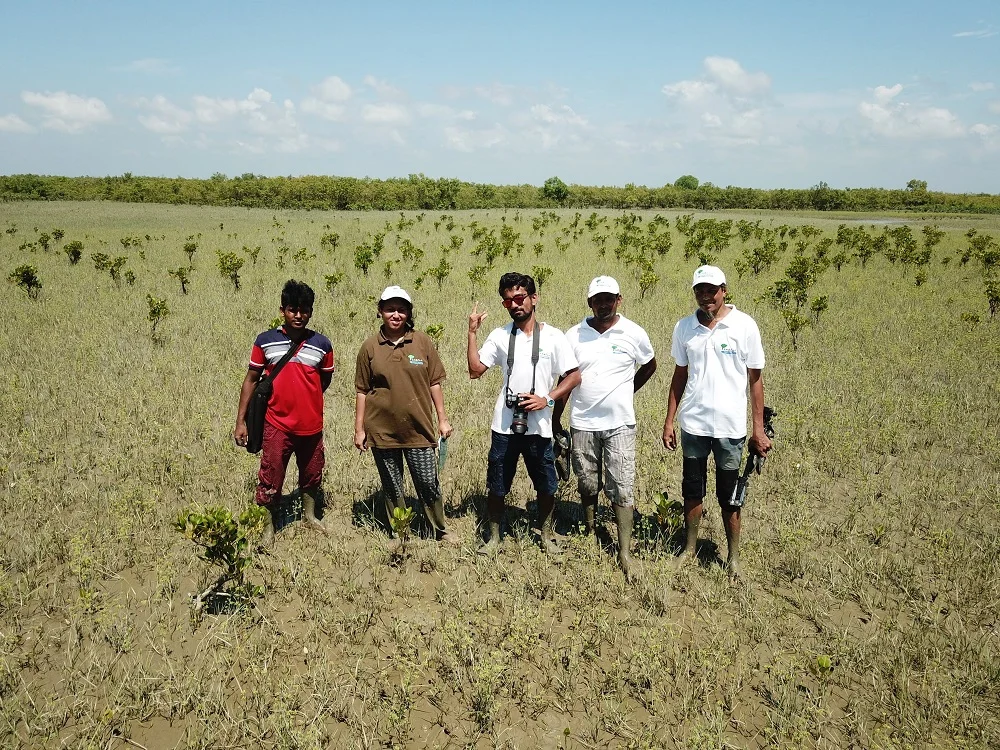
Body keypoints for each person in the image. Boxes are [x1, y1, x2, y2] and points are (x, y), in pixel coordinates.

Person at [662, 265, 772, 578]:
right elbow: (679, 375)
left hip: (730, 429)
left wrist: (758, 429)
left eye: (711, 290)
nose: (706, 296)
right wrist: (670, 420)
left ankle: (733, 557)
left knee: (730, 495)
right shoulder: (684, 328)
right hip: (693, 426)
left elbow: (755, 380)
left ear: (724, 290)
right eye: (700, 290)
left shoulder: (744, 326)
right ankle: (690, 547)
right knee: (692, 490)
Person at [467, 272, 581, 554]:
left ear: (534, 298)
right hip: (505, 424)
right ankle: (494, 537)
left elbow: (574, 376)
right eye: (508, 302)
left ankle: (545, 535)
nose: (515, 304)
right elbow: (474, 371)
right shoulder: (499, 335)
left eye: (519, 298)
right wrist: (471, 333)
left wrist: (547, 399)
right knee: (497, 483)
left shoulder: (554, 337)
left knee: (546, 484)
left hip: (539, 427)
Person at [564, 276, 657, 579]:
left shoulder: (634, 333)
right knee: (587, 482)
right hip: (583, 423)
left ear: (619, 299)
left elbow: (650, 365)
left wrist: (627, 391)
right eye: (597, 299)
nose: (603, 304)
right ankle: (591, 529)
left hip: (620, 423)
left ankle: (624, 551)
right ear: (589, 302)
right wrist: (555, 419)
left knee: (621, 486)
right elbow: (565, 378)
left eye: (609, 298)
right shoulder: (573, 335)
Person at [354, 286, 457, 545]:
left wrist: (442, 419)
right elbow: (362, 391)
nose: (396, 314)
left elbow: (435, 383)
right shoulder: (369, 347)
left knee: (427, 481)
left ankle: (440, 529)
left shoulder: (422, 342)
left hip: (418, 427)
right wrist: (359, 429)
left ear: (409, 313)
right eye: (390, 309)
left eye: (401, 309)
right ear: (380, 312)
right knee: (392, 484)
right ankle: (400, 532)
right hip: (382, 428)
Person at [234, 279, 334, 546]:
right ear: (282, 310)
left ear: (311, 311)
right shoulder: (265, 341)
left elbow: (323, 381)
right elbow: (251, 380)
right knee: (271, 474)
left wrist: (305, 399)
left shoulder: (322, 345)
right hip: (276, 423)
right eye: (292, 309)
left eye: (304, 310)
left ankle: (310, 515)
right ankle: (268, 526)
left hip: (312, 425)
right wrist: (240, 421)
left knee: (312, 472)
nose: (298, 315)